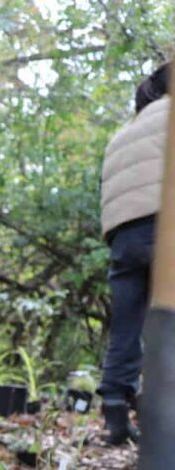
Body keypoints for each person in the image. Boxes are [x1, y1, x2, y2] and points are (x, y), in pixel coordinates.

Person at [97, 63, 169, 445]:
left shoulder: (122, 134)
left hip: (124, 238)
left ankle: (114, 409)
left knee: (125, 326)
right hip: (165, 227)